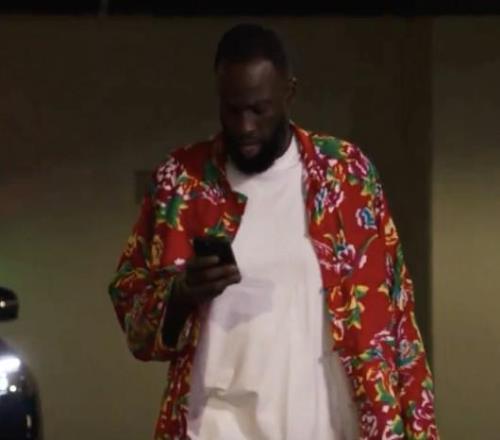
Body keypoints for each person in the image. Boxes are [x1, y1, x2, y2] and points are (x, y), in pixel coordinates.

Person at [109, 23, 438, 440]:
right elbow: (133, 313)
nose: (244, 126)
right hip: (216, 427)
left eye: (258, 110)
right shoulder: (181, 183)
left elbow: (397, 315)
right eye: (232, 110)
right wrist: (181, 293)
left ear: (289, 93)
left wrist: (421, 429)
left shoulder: (346, 175)